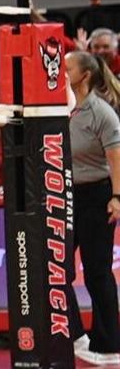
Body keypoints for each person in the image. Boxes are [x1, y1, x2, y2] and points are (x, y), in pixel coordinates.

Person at [64, 50, 120, 365]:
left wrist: (117, 197)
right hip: (67, 196)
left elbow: (116, 160)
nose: (62, 71)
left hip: (98, 196)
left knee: (98, 272)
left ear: (84, 75)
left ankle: (109, 346)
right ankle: (76, 336)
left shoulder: (102, 113)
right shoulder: (62, 109)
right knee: (56, 268)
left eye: (68, 67)